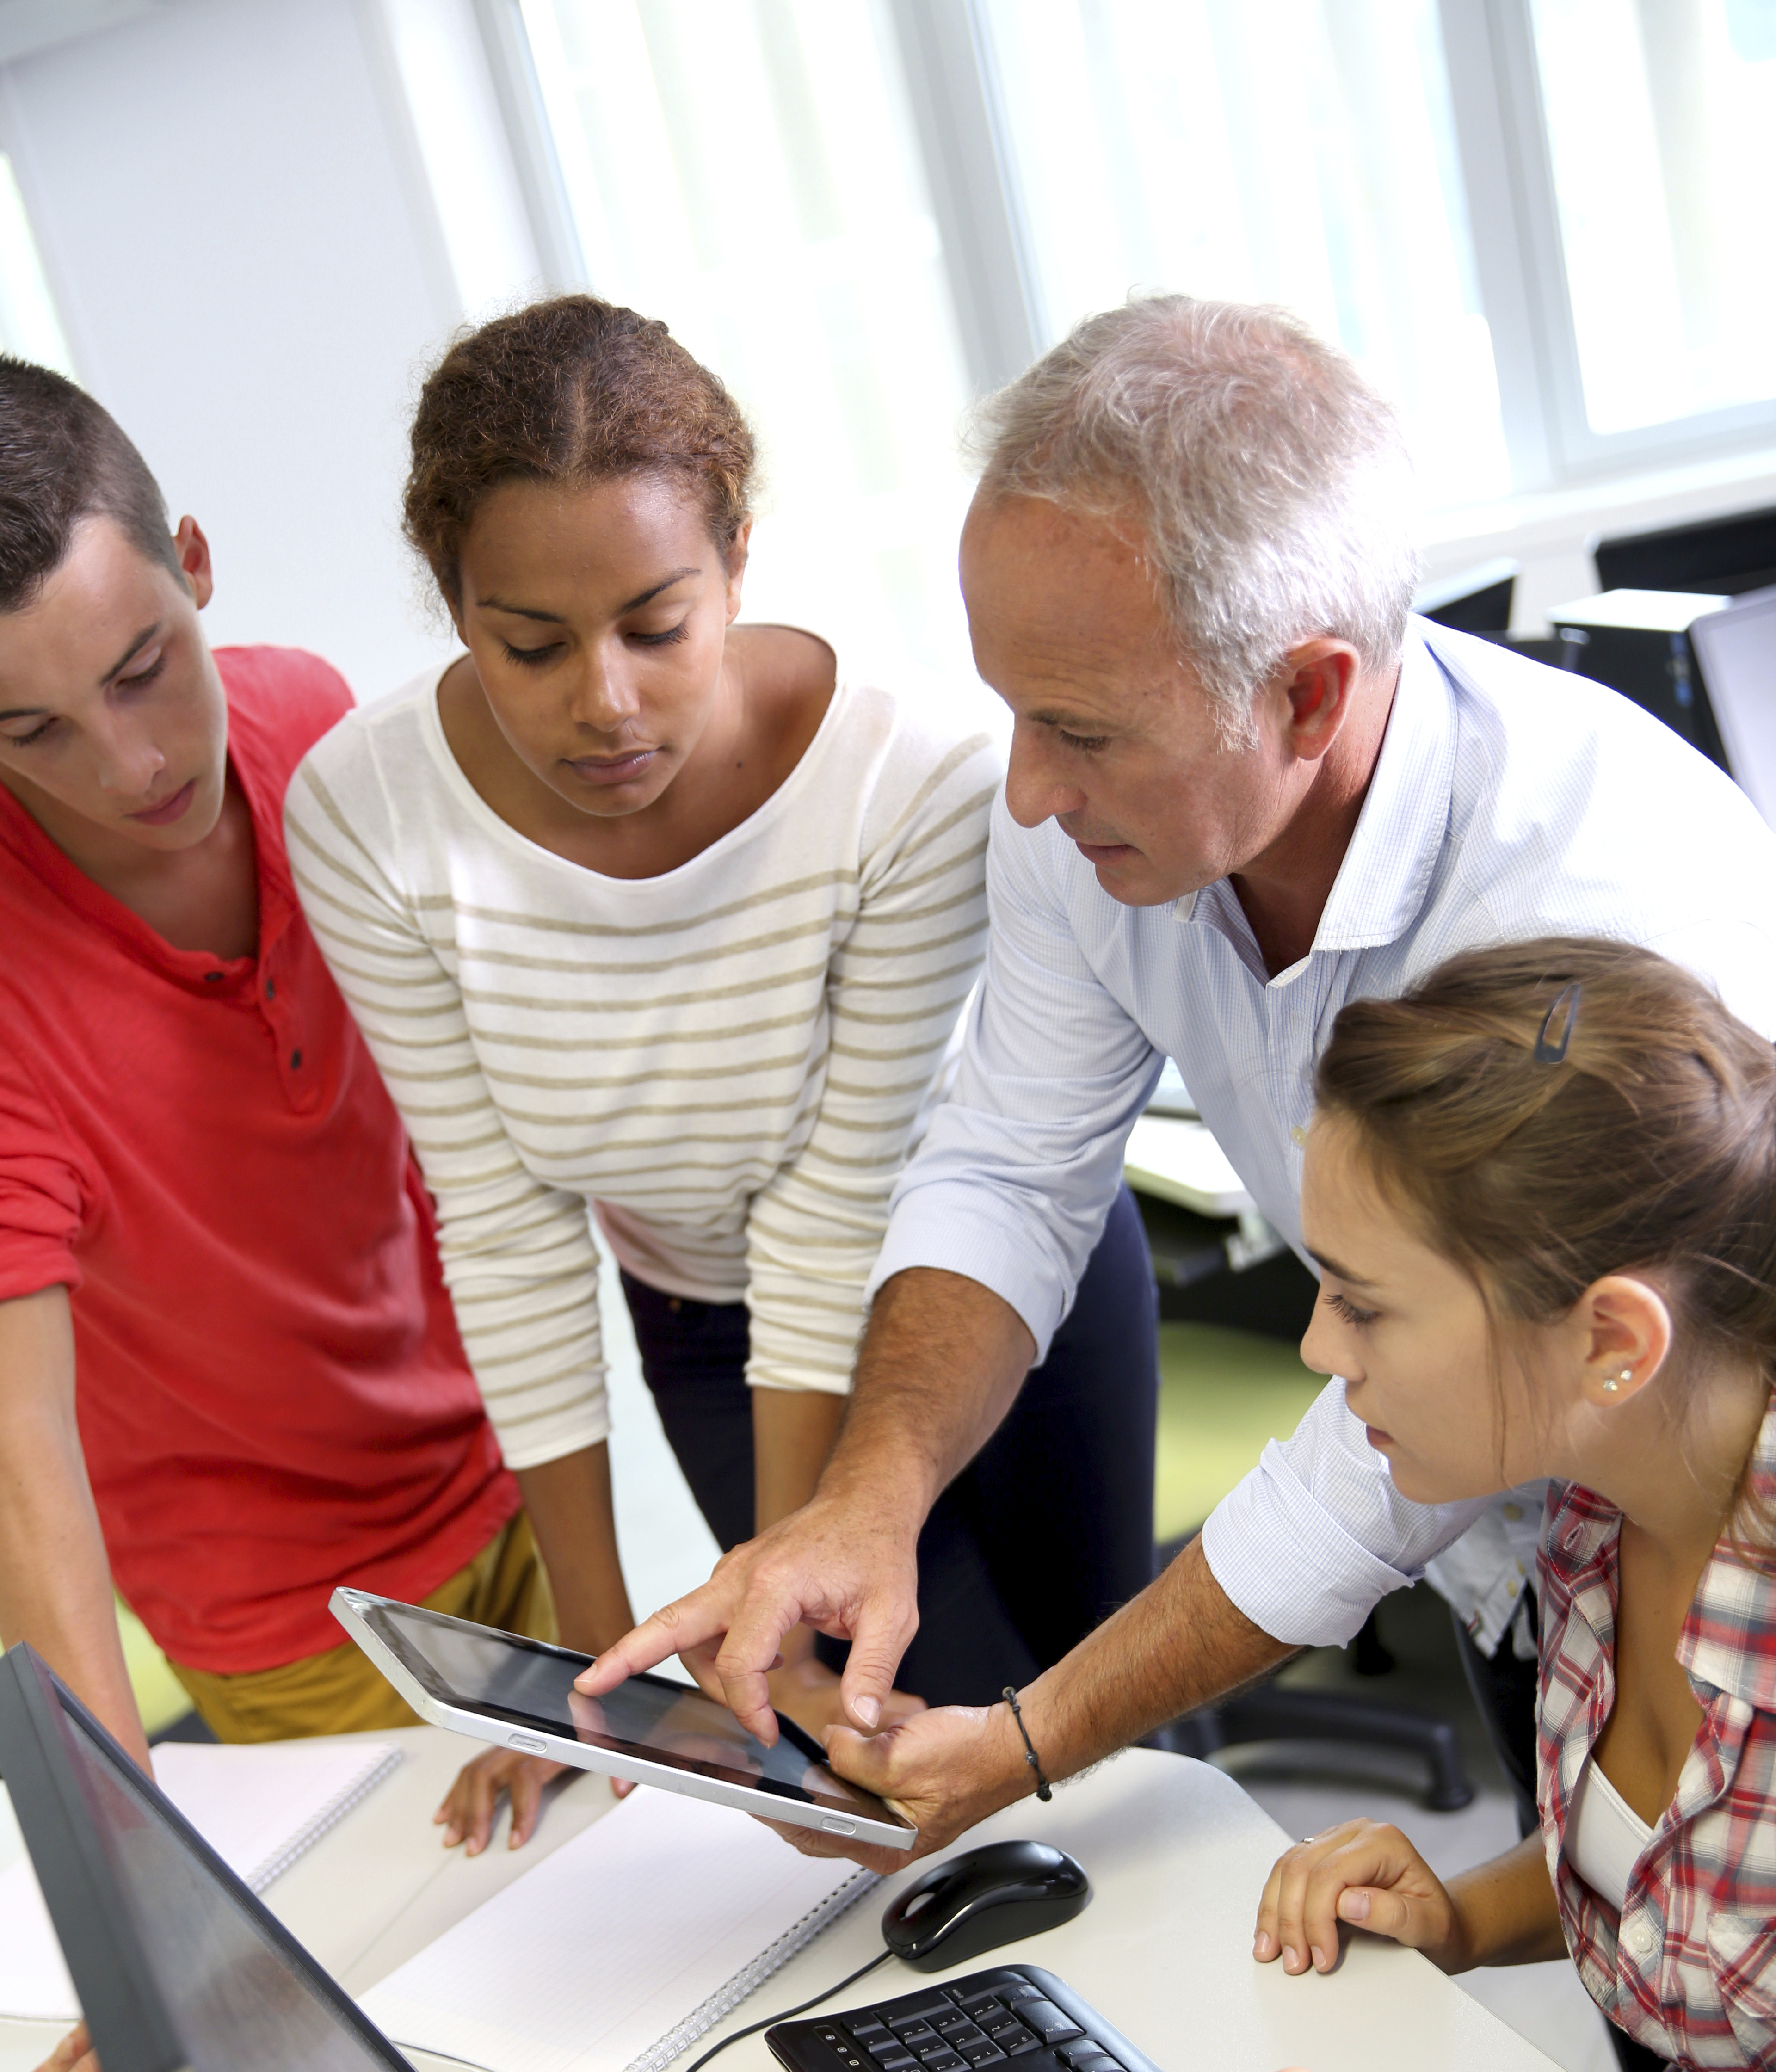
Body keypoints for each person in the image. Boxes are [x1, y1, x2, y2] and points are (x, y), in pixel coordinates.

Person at [576, 294, 1776, 1895]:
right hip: (1540, 1592)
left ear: (1305, 695)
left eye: (1076, 730)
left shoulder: (1592, 915)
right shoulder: (1096, 813)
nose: (1024, 788)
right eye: (1009, 707)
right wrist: (868, 1499)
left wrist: (1027, 1739)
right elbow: (1010, 1159)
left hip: (1707, 1588)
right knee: (1632, 2001)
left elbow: (1366, 1468)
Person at [286, 295, 1158, 1860]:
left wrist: (795, 1605)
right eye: (529, 644)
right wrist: (589, 1675)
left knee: (1107, 1754)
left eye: (655, 624)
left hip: (998, 1289)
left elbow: (830, 1218)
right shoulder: (365, 815)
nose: (602, 702)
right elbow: (501, 1226)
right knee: (876, 1801)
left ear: (738, 555)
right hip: (708, 1326)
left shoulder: (907, 788)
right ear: (450, 600)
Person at [0, 362, 533, 2072]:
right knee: (465, 2068)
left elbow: (482, 1144)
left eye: (142, 668)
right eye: (31, 734)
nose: (131, 764)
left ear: (200, 565)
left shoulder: (321, 731)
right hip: (297, 1613)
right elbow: (25, 1476)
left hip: (519, 1468)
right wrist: (132, 1885)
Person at [1165, 936, 1776, 2072]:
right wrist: (1466, 1913)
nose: (1320, 1347)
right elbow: (1688, 1876)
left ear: (1612, 1341)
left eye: (1364, 1304)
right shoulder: (1600, 1495)